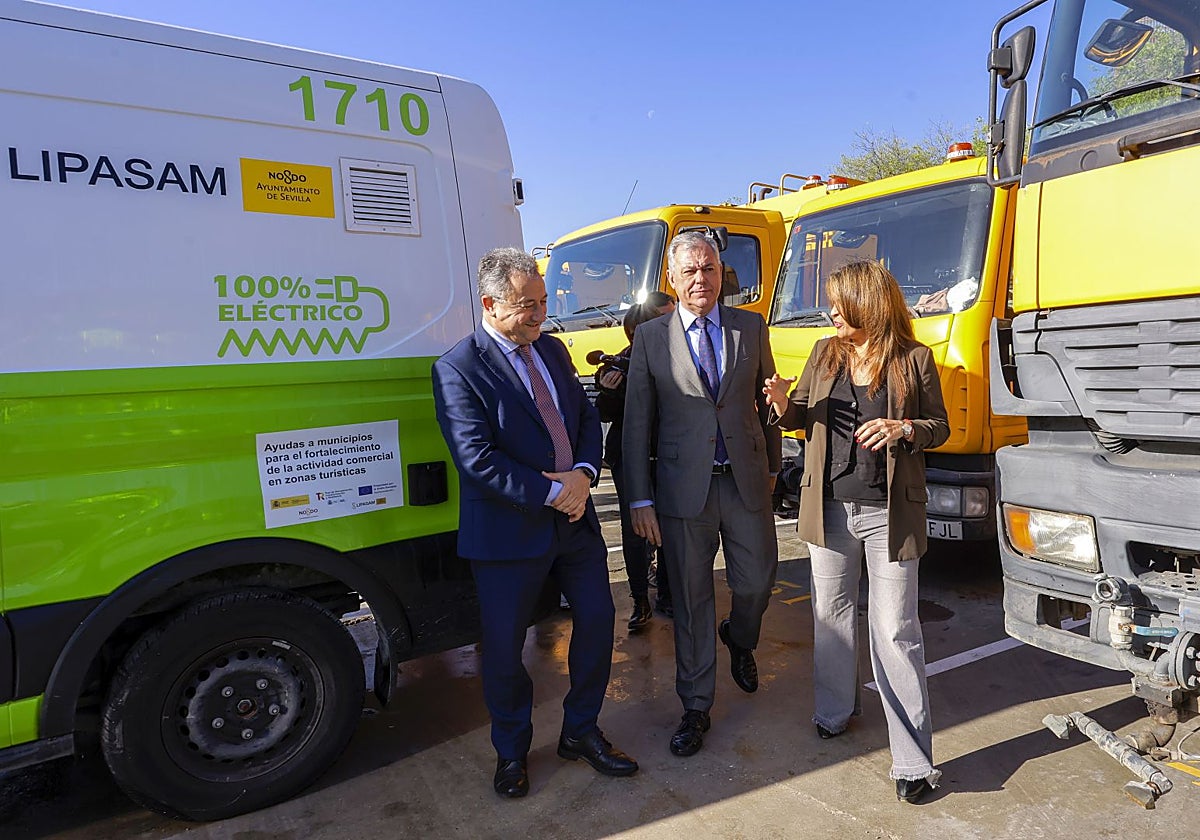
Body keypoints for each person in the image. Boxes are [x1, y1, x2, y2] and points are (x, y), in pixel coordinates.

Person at [432, 247, 638, 799]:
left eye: (544, 301)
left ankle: (581, 731)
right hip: (508, 531)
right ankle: (512, 752)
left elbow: (585, 416)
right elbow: (476, 459)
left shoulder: (550, 348)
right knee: (504, 650)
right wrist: (555, 491)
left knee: (597, 622)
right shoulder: (457, 368)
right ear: (489, 303)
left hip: (575, 521)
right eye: (527, 305)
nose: (539, 314)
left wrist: (585, 475)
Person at [762, 260, 949, 805]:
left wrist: (904, 426)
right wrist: (779, 402)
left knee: (895, 631)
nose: (831, 313)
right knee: (832, 617)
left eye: (841, 304)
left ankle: (913, 762)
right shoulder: (824, 352)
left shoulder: (914, 359)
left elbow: (940, 426)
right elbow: (799, 414)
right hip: (829, 507)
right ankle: (834, 711)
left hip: (890, 513)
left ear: (870, 305)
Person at [622, 231, 781, 757]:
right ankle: (695, 706)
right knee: (690, 601)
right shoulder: (650, 339)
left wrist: (775, 468)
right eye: (689, 271)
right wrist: (640, 500)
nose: (700, 279)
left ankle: (740, 634)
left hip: (744, 481)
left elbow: (766, 405)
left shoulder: (750, 327)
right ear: (671, 278)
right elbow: (636, 424)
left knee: (757, 580)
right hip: (680, 491)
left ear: (721, 274)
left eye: (709, 269)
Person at [594, 291, 676, 630]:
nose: (676, 321)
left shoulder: (682, 354)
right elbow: (603, 412)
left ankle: (669, 596)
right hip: (632, 457)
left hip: (672, 455)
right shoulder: (624, 360)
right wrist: (612, 390)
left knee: (673, 527)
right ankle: (640, 598)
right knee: (635, 530)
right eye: (667, 316)